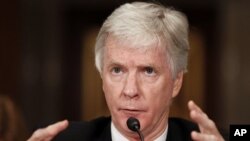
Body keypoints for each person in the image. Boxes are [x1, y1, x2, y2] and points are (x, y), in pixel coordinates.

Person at [28, 2, 225, 141]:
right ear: (102, 79)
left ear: (176, 82)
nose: (130, 90)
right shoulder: (57, 138)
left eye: (148, 71)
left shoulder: (215, 137)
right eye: (117, 70)